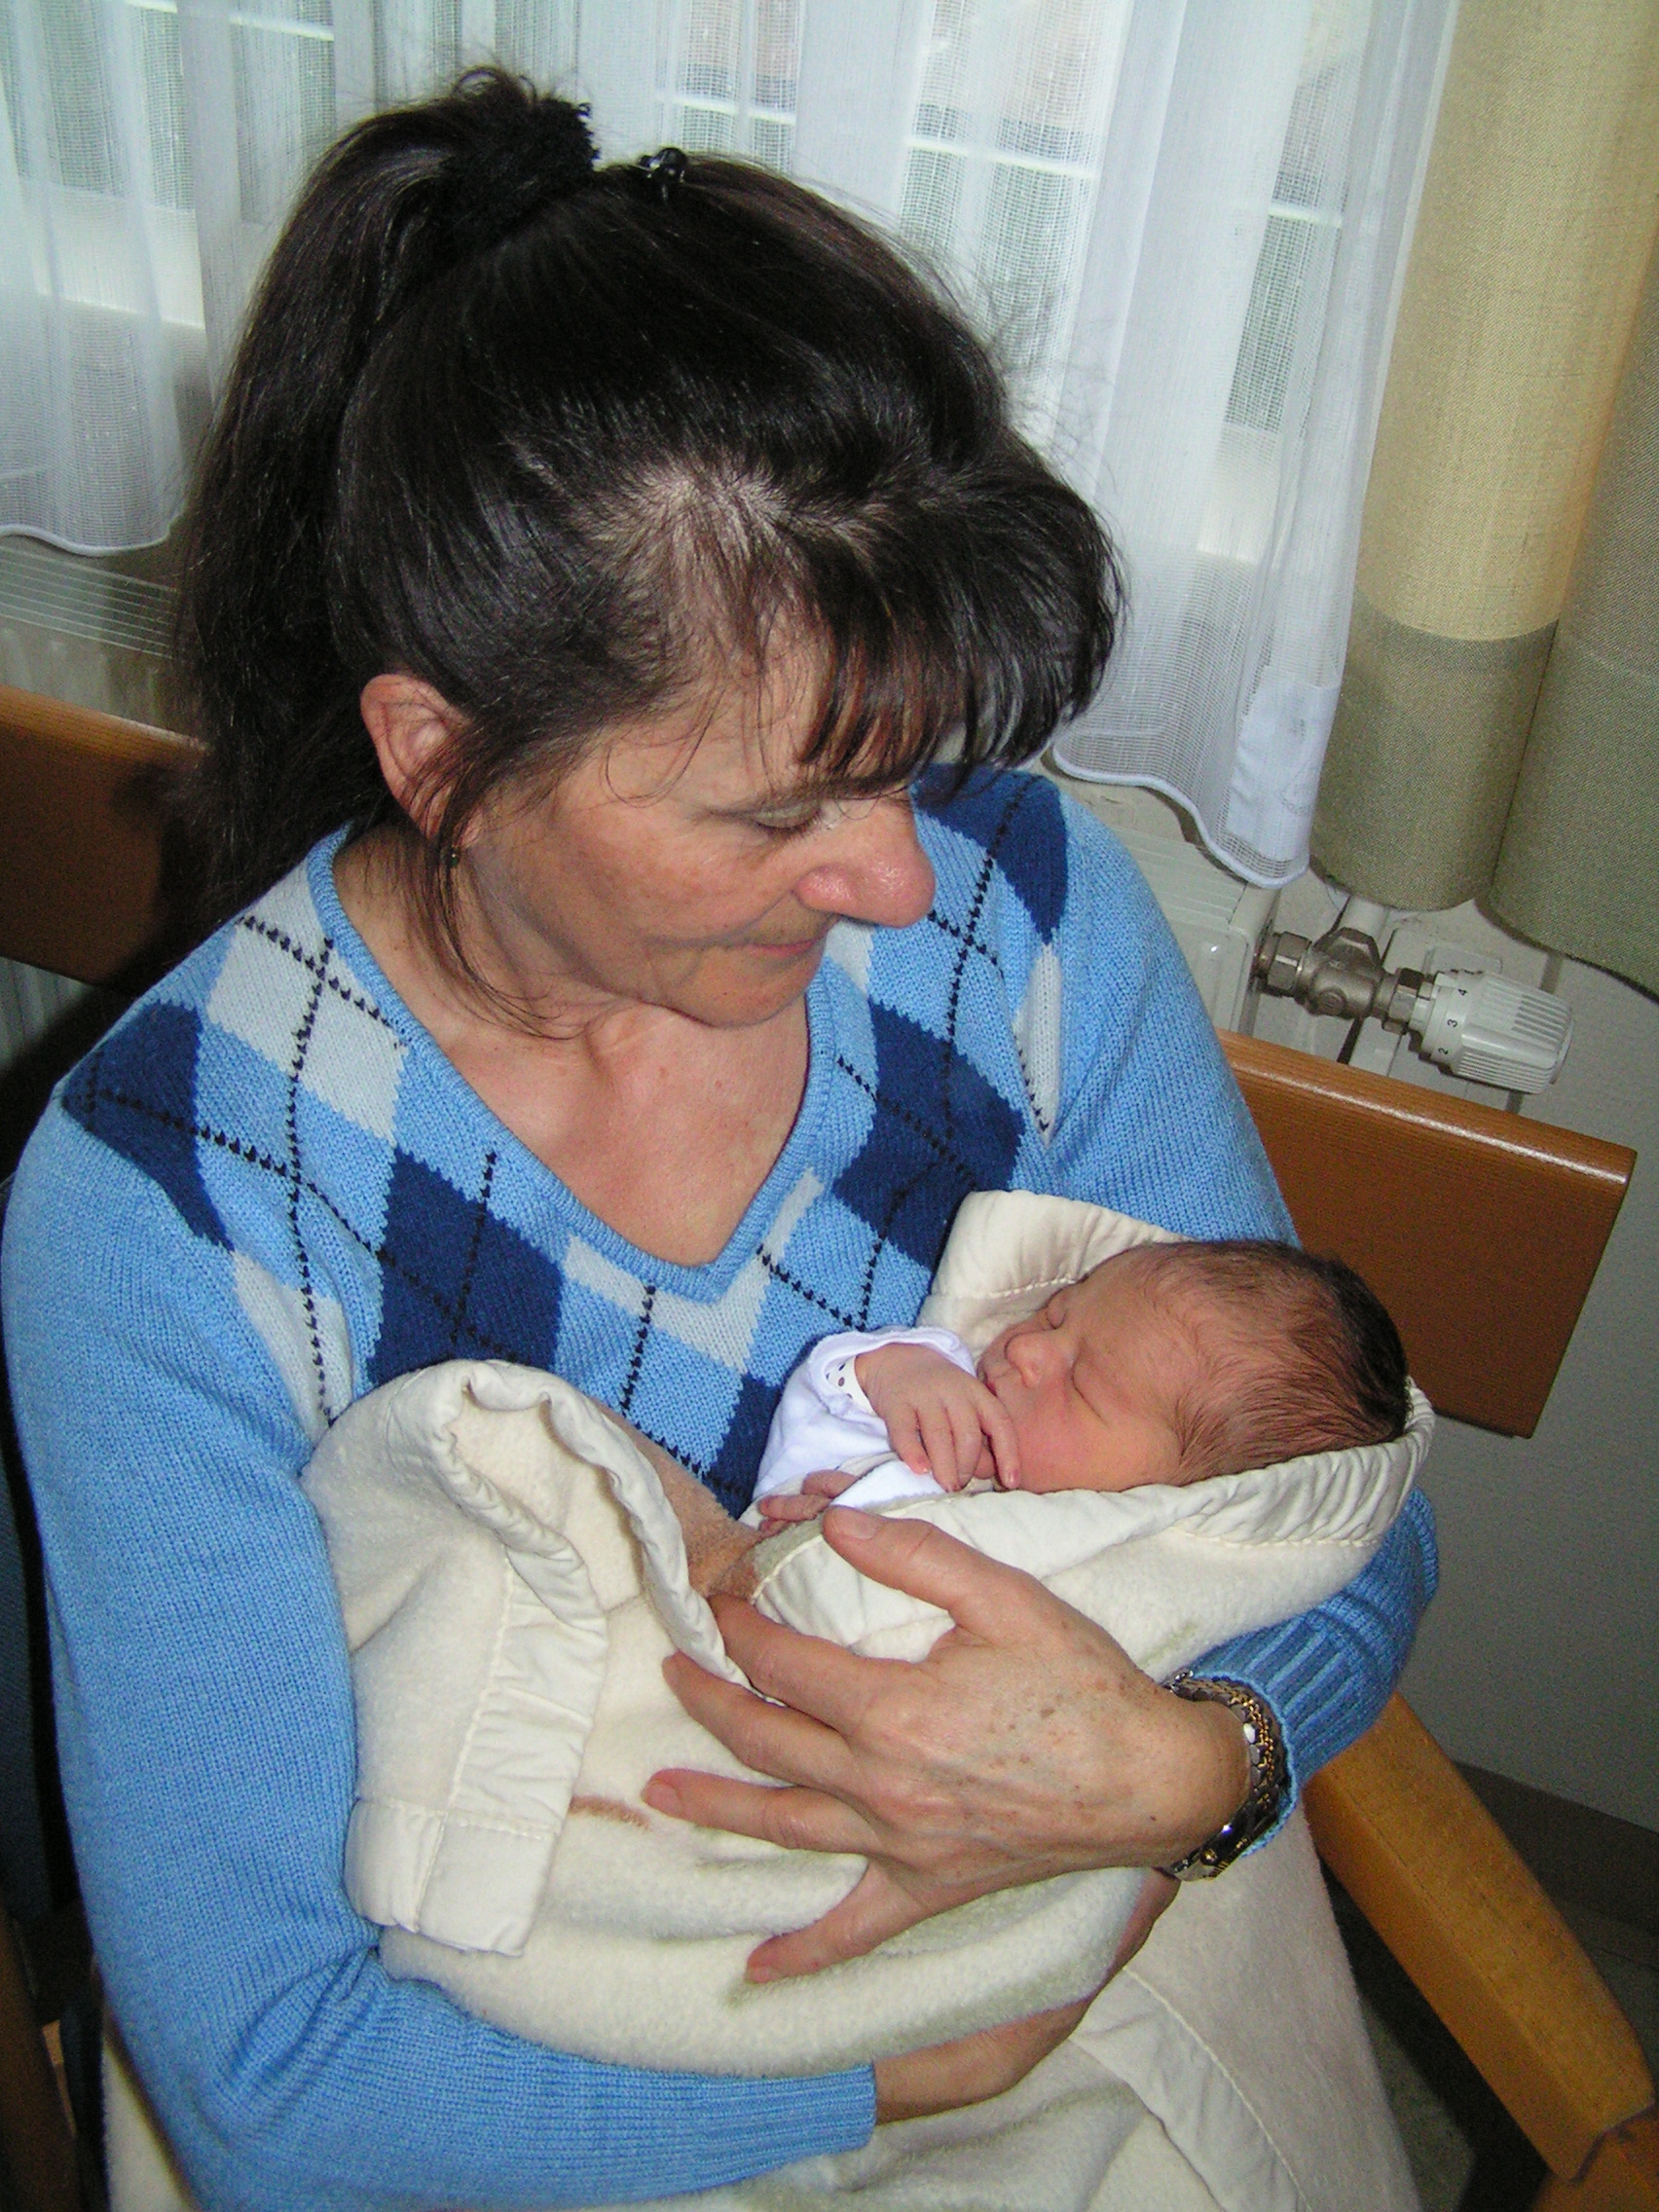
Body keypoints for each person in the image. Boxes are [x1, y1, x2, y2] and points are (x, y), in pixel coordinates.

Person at [0, 69, 1435, 2212]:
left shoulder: (1023, 922)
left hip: (1092, 1949)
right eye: (778, 811)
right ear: (441, 757)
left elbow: (1336, 1500)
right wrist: (889, 2082)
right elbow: (271, 2080)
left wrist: (1196, 1762)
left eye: (908, 762)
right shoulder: (180, 1203)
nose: (897, 876)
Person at [751, 1238, 1412, 1522]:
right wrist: (891, 1371)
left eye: (1082, 1386)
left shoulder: (1089, 1556)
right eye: (1057, 1312)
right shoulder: (943, 1375)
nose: (1029, 1348)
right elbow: (819, 1400)